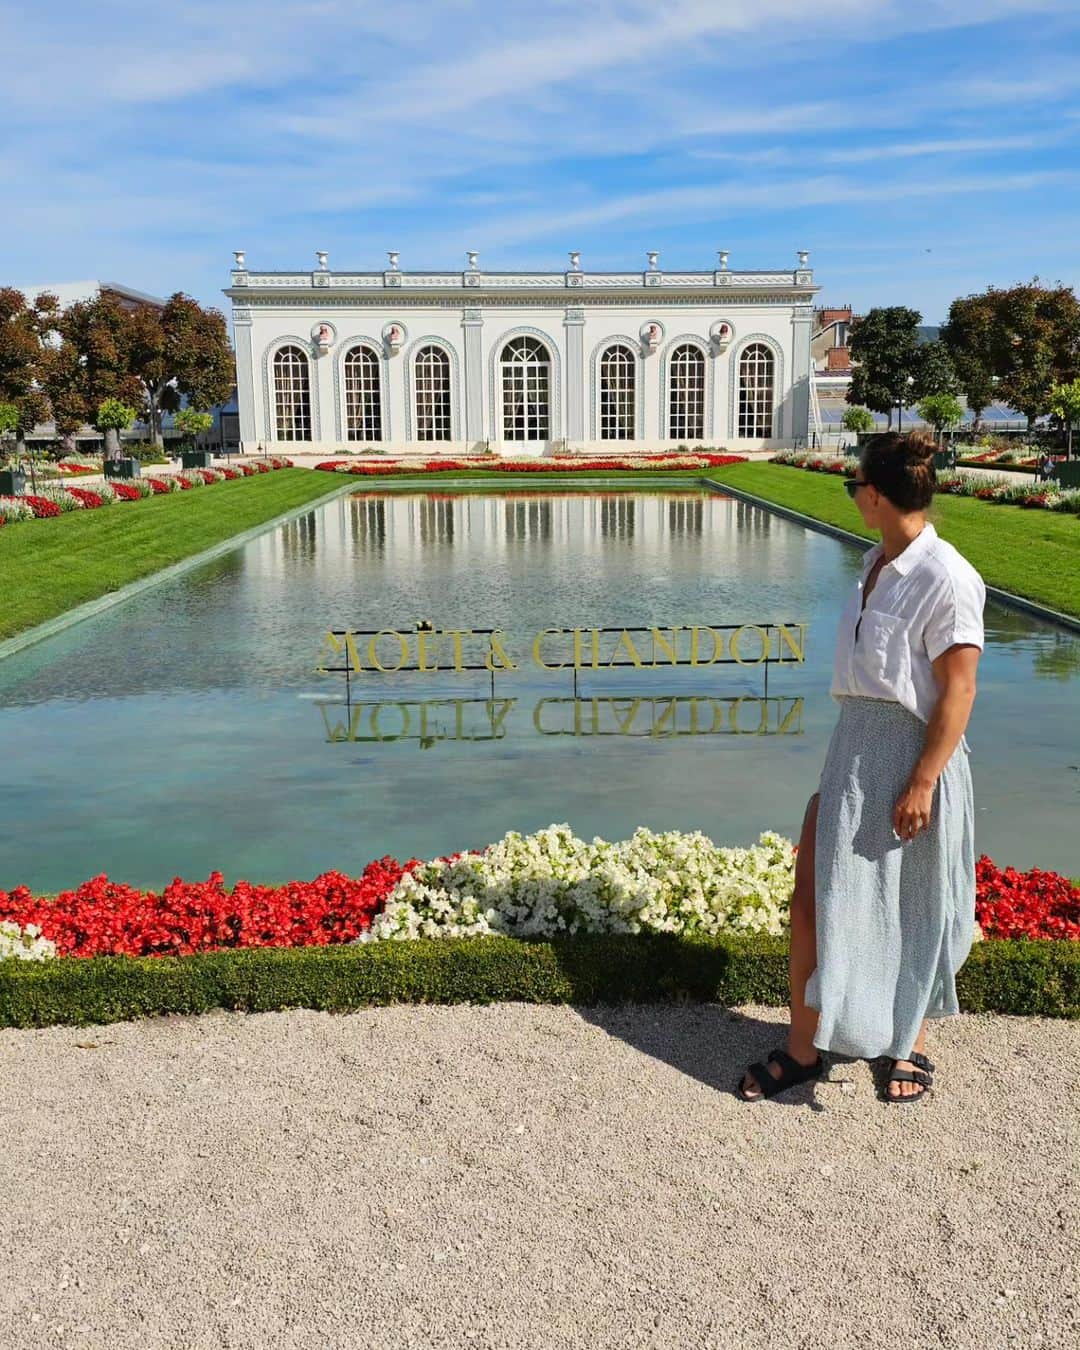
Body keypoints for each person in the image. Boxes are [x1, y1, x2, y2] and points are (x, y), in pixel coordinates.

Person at [738, 430, 986, 1105]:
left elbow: (959, 690)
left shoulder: (947, 577)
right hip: (855, 748)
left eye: (855, 489)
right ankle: (803, 1047)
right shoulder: (877, 562)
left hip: (911, 756)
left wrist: (923, 781)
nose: (854, 499)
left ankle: (907, 1045)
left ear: (874, 495)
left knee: (911, 905)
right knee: (811, 896)